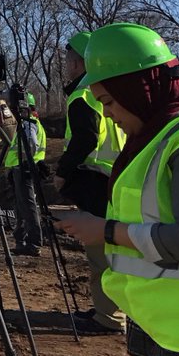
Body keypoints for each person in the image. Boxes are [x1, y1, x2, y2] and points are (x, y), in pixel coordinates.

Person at [56, 23, 179, 356]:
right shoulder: (152, 138)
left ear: (138, 89)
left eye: (110, 103)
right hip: (154, 323)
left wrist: (106, 232)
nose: (109, 116)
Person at [55, 30, 127, 334]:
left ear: (77, 63)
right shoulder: (107, 92)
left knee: (101, 254)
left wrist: (63, 170)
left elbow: (86, 137)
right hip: (115, 178)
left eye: (69, 59)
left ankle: (109, 317)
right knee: (112, 251)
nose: (66, 65)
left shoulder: (83, 95)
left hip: (96, 180)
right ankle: (110, 309)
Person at [5, 92, 46, 256]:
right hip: (21, 168)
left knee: (28, 207)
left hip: (24, 169)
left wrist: (25, 162)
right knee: (22, 206)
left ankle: (33, 242)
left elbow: (31, 144)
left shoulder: (29, 124)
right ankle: (22, 240)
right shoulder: (32, 123)